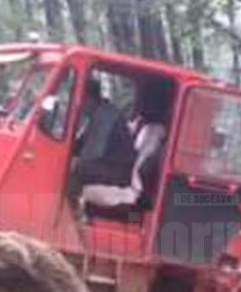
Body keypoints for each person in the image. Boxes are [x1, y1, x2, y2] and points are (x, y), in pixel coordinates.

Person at [81, 78, 171, 210]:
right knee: (80, 169)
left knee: (78, 175)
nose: (139, 101)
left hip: (130, 183)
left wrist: (128, 192)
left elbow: (140, 169)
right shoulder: (143, 124)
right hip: (124, 172)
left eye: (144, 97)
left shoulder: (155, 131)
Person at [73, 77, 136, 190]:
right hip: (108, 165)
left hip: (119, 171)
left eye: (79, 99)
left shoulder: (105, 116)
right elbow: (81, 143)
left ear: (89, 99)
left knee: (78, 167)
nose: (78, 105)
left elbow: (92, 154)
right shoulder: (96, 113)